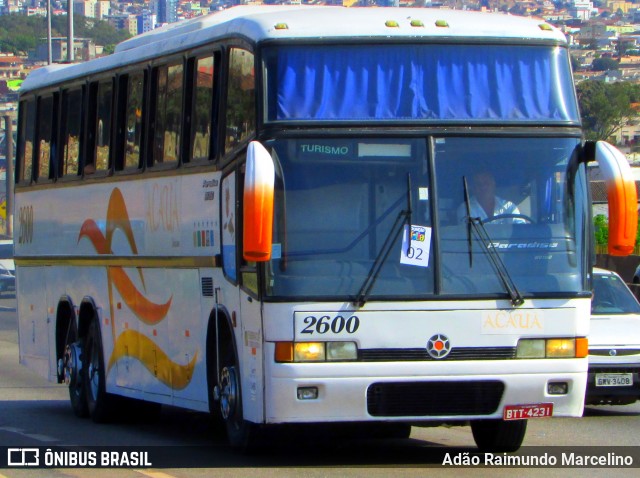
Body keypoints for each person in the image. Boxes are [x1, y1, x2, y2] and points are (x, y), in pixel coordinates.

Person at [456, 170, 526, 224]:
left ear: (493, 184)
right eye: (478, 184)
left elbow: (521, 228)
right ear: (472, 188)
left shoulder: (509, 206)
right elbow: (471, 236)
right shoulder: (466, 209)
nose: (483, 187)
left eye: (486, 183)